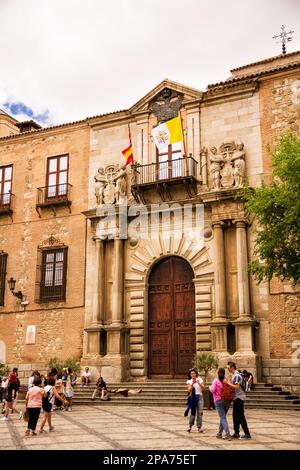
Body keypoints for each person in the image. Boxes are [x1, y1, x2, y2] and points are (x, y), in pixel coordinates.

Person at [225, 361, 251, 440]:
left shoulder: (236, 375)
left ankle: (247, 433)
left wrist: (228, 383)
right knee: (235, 416)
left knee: (240, 416)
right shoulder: (235, 375)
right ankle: (236, 433)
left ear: (232, 367)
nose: (228, 369)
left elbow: (237, 387)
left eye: (228, 367)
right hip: (237, 398)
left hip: (239, 397)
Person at [210, 368, 231, 440]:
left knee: (223, 418)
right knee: (223, 417)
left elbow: (212, 390)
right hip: (227, 400)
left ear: (218, 373)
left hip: (218, 400)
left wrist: (209, 387)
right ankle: (219, 433)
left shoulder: (216, 380)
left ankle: (228, 434)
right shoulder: (226, 380)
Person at [186, 368, 205, 433]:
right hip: (193, 398)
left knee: (200, 413)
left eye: (194, 373)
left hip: (200, 397)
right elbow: (189, 390)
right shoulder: (189, 381)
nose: (193, 375)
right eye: (191, 374)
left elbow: (203, 389)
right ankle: (190, 426)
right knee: (193, 413)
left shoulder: (200, 379)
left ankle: (199, 427)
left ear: (196, 374)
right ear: (190, 375)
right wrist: (192, 384)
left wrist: (199, 383)